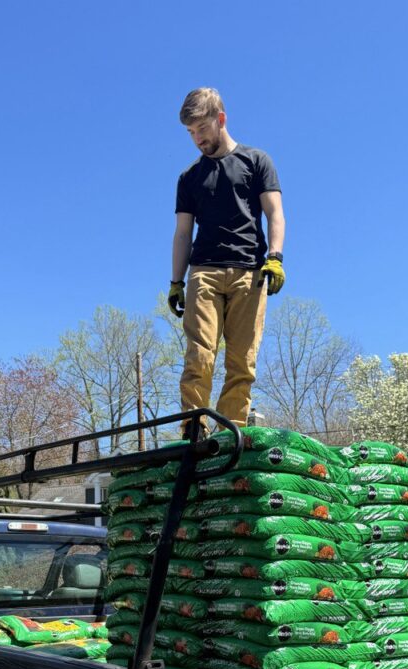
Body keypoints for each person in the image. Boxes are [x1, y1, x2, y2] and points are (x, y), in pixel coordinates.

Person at [168, 87, 285, 437]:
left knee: (241, 361)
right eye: (190, 133)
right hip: (203, 271)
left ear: (221, 119)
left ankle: (230, 434)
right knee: (200, 355)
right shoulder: (189, 178)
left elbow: (275, 213)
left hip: (249, 272)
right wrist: (176, 281)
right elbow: (182, 233)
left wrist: (275, 258)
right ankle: (193, 430)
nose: (197, 139)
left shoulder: (256, 161)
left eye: (202, 128)